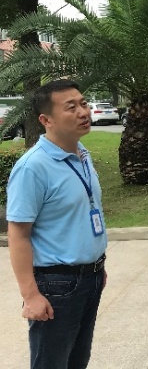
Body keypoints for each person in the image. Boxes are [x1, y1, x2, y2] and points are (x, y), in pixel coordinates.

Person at [6, 80, 108, 369]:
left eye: (84, 103)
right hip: (57, 285)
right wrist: (30, 295)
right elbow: (18, 234)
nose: (83, 112)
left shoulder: (81, 154)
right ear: (46, 120)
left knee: (77, 361)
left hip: (90, 277)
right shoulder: (33, 167)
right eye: (71, 107)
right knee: (51, 363)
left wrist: (95, 267)